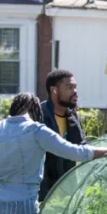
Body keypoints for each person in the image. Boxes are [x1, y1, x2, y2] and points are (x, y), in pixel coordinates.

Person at [39, 70, 87, 202]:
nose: (75, 91)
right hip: (43, 192)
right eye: (69, 87)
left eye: (75, 87)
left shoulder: (73, 115)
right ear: (54, 90)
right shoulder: (39, 115)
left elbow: (81, 147)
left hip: (67, 189)